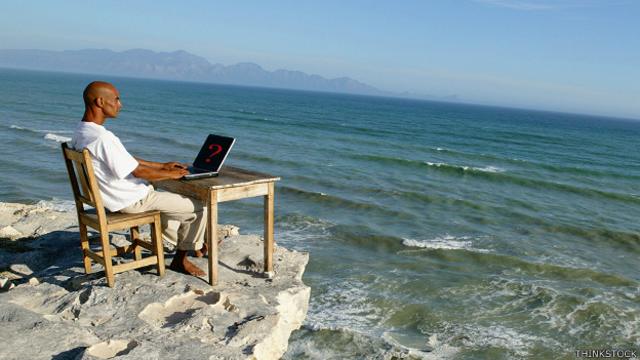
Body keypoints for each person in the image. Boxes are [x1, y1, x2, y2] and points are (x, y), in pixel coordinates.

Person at [71, 81, 208, 277]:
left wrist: (162, 166)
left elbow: (128, 161)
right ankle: (181, 259)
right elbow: (137, 172)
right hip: (131, 201)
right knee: (200, 206)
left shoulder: (82, 131)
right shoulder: (103, 138)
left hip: (111, 200)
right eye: (116, 99)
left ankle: (194, 242)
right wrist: (174, 174)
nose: (120, 104)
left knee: (172, 202)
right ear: (100, 102)